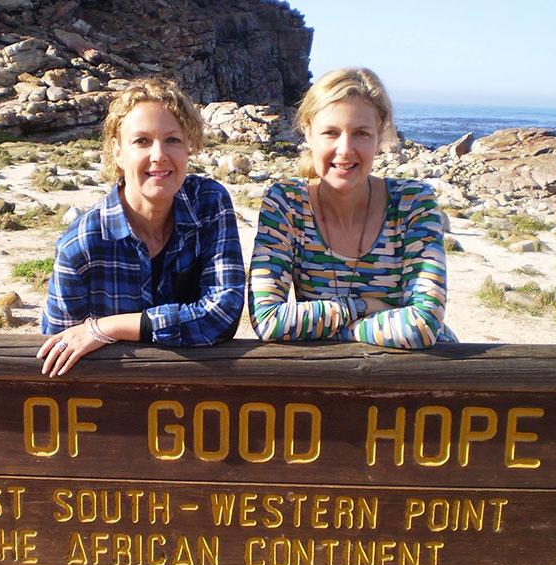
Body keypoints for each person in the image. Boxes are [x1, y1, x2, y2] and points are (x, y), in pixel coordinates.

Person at [39, 79, 246, 376]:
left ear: (189, 145)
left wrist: (109, 327)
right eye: (142, 141)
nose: (159, 155)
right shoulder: (81, 247)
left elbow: (223, 314)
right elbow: (58, 350)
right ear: (119, 152)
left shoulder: (209, 205)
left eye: (172, 139)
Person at [247, 67, 455, 348]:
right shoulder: (287, 204)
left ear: (380, 136)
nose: (345, 149)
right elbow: (269, 319)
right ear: (308, 133)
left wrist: (330, 331)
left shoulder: (412, 204)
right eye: (330, 133)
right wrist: (361, 306)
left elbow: (423, 326)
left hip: (421, 377)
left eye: (361, 133)